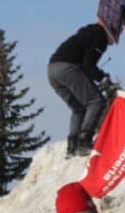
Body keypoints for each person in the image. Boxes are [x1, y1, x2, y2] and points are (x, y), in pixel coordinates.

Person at [48, 22, 113, 157]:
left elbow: (85, 65)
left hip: (52, 70)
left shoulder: (85, 34)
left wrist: (98, 77)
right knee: (96, 101)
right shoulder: (100, 36)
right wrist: (104, 80)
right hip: (68, 68)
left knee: (78, 108)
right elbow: (88, 66)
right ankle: (84, 142)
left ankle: (71, 147)